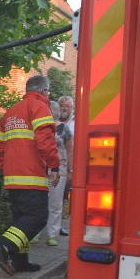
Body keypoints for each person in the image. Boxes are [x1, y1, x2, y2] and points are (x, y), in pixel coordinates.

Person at [0, 75, 60, 275]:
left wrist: (8, 168)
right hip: (32, 175)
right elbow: (45, 141)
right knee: (37, 217)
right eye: (48, 92)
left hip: (12, 177)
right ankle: (2, 247)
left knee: (20, 219)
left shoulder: (10, 112)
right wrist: (54, 166)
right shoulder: (40, 107)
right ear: (44, 91)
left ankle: (20, 262)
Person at [39, 100, 72, 246]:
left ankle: (52, 233)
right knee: (39, 202)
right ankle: (35, 233)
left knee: (55, 203)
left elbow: (70, 150)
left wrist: (71, 170)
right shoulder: (40, 128)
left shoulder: (64, 129)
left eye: (53, 110)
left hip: (59, 170)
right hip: (40, 170)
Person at [57, 95, 75, 234]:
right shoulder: (54, 123)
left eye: (67, 106)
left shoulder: (77, 122)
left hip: (73, 162)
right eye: (62, 105)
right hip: (57, 164)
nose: (64, 108)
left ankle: (63, 223)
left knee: (68, 194)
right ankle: (56, 226)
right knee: (59, 195)